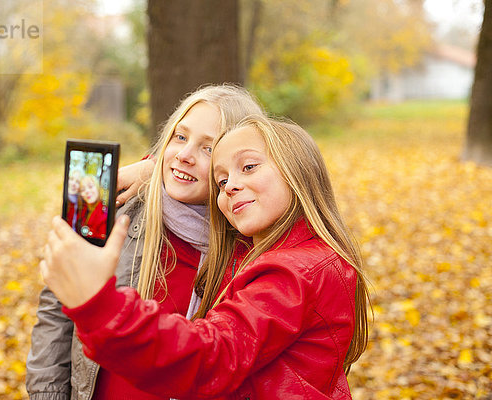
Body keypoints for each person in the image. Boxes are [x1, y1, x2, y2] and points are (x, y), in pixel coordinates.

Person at [40, 115, 371, 399]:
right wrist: (155, 171)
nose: (229, 186)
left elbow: (213, 354)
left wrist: (100, 308)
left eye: (249, 167)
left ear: (298, 170)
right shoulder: (278, 254)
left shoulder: (292, 273)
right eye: (221, 180)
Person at [26, 85, 265, 400]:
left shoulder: (251, 244)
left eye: (208, 148)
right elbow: (58, 310)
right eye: (180, 137)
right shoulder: (117, 208)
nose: (184, 155)